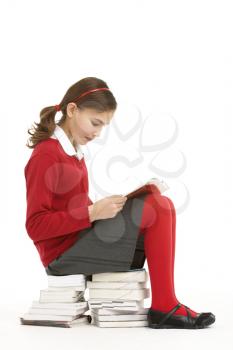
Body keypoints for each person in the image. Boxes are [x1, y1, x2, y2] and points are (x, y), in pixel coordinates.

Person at [24, 76, 215, 329]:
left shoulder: (73, 153)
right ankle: (165, 306)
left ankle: (167, 302)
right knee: (156, 207)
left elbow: (73, 209)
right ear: (72, 110)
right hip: (62, 258)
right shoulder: (47, 154)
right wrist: (92, 212)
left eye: (103, 126)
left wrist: (103, 210)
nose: (97, 132)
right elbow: (35, 226)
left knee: (160, 201)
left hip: (80, 241)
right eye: (95, 122)